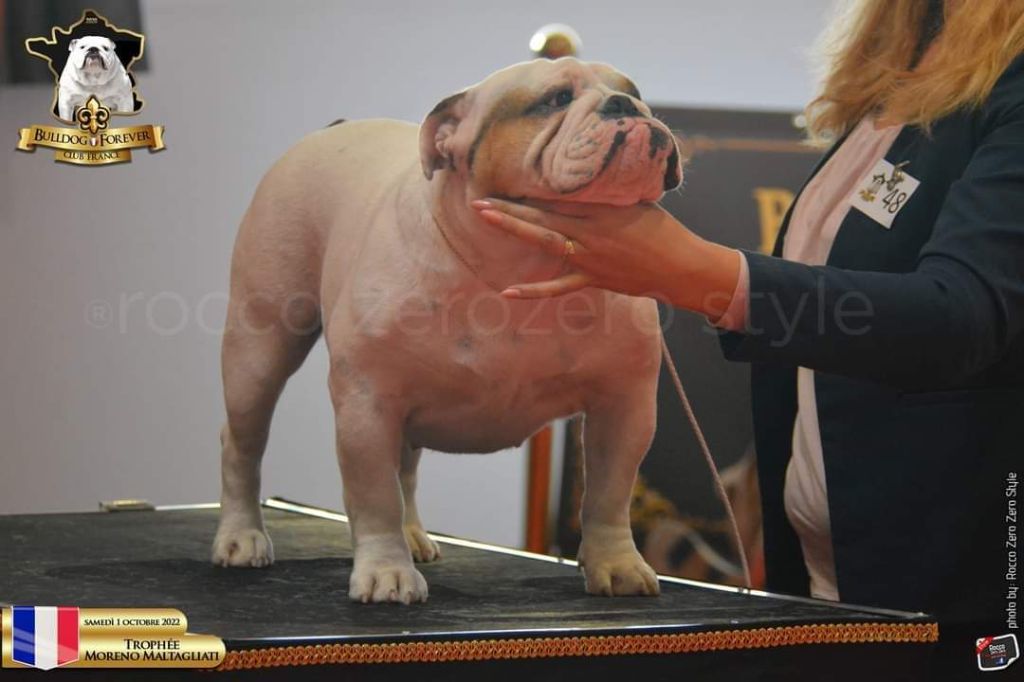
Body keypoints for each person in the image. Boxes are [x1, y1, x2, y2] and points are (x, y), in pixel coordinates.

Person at [469, 0, 1024, 675]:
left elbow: (961, 319)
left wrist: (702, 275)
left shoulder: (1011, 79)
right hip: (822, 582)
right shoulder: (901, 67)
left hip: (963, 604)